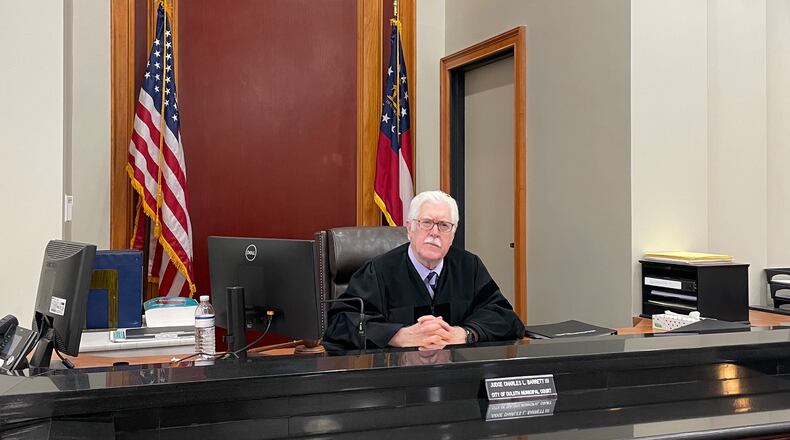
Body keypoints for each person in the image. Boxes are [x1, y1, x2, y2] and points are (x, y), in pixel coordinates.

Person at [323, 190, 525, 352]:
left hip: (455, 379)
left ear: (452, 235)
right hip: (397, 384)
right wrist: (397, 335)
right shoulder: (379, 271)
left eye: (444, 225)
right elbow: (340, 324)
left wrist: (464, 333)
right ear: (410, 228)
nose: (434, 233)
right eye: (426, 223)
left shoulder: (468, 267)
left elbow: (505, 318)